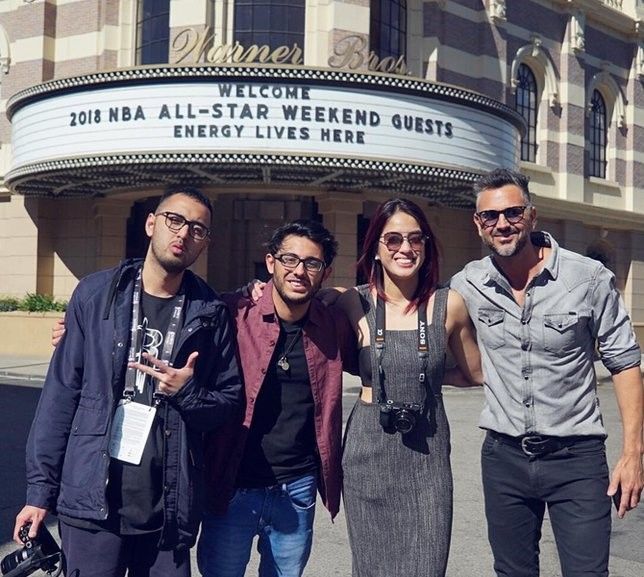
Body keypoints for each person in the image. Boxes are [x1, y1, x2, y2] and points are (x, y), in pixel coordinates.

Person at [15, 186, 243, 577]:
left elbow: (229, 403)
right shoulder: (95, 294)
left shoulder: (210, 311)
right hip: (92, 501)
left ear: (205, 243)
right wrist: (39, 493)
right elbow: (60, 396)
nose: (184, 233)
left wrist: (187, 393)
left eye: (198, 229)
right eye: (174, 220)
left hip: (167, 508)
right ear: (151, 223)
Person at [450, 168, 644, 577]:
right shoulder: (467, 284)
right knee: (512, 572)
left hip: (576, 459)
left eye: (513, 212)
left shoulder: (587, 277)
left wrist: (633, 455)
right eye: (490, 216)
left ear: (532, 216)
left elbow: (625, 363)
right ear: (478, 224)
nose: (502, 223)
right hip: (503, 458)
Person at [197, 220, 357, 577]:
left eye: (312, 263)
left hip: (296, 488)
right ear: (270, 262)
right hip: (233, 485)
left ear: (325, 272)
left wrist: (343, 294)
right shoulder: (234, 312)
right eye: (289, 259)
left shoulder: (333, 324)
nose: (299, 271)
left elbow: (376, 308)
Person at [332, 198, 483, 577]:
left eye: (416, 239)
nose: (405, 248)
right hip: (367, 454)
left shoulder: (449, 305)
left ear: (426, 246)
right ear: (376, 248)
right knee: (371, 568)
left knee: (426, 565)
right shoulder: (352, 301)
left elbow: (475, 374)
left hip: (427, 456)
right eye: (393, 239)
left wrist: (426, 372)